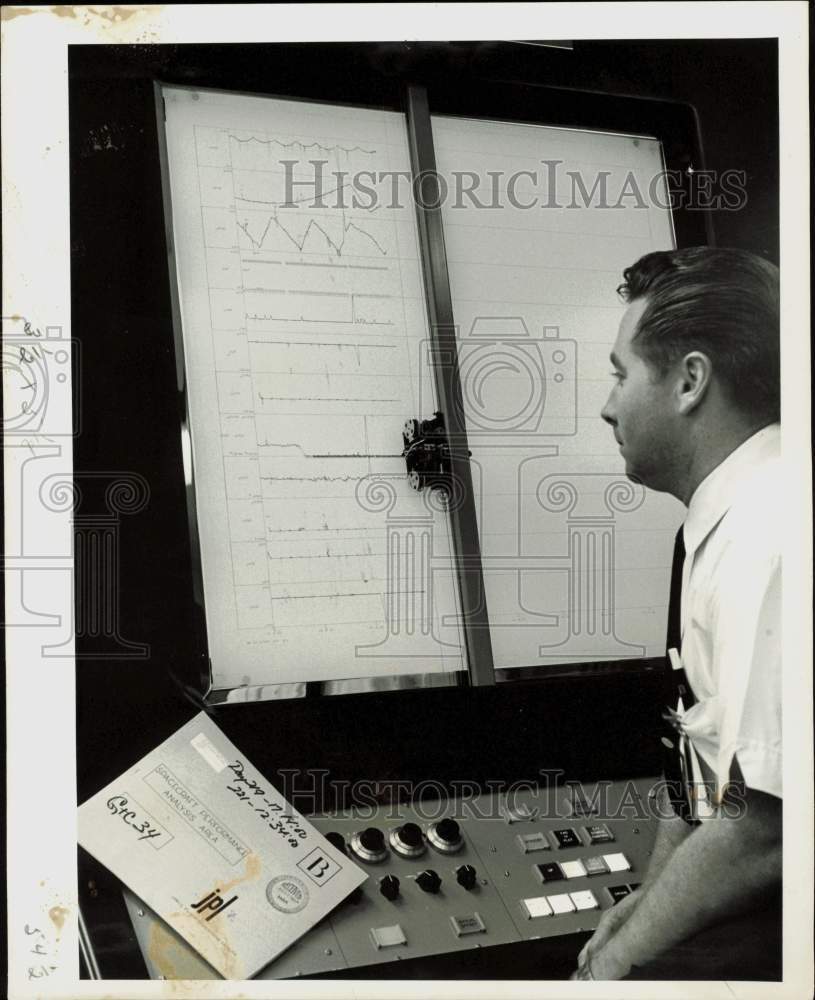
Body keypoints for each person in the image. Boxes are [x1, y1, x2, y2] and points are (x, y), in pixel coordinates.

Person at [574, 246, 782, 980]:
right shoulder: (723, 521)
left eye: (619, 374)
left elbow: (768, 829)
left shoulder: (772, 532)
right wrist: (642, 904)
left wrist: (613, 969)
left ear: (689, 380)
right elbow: (701, 767)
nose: (607, 405)